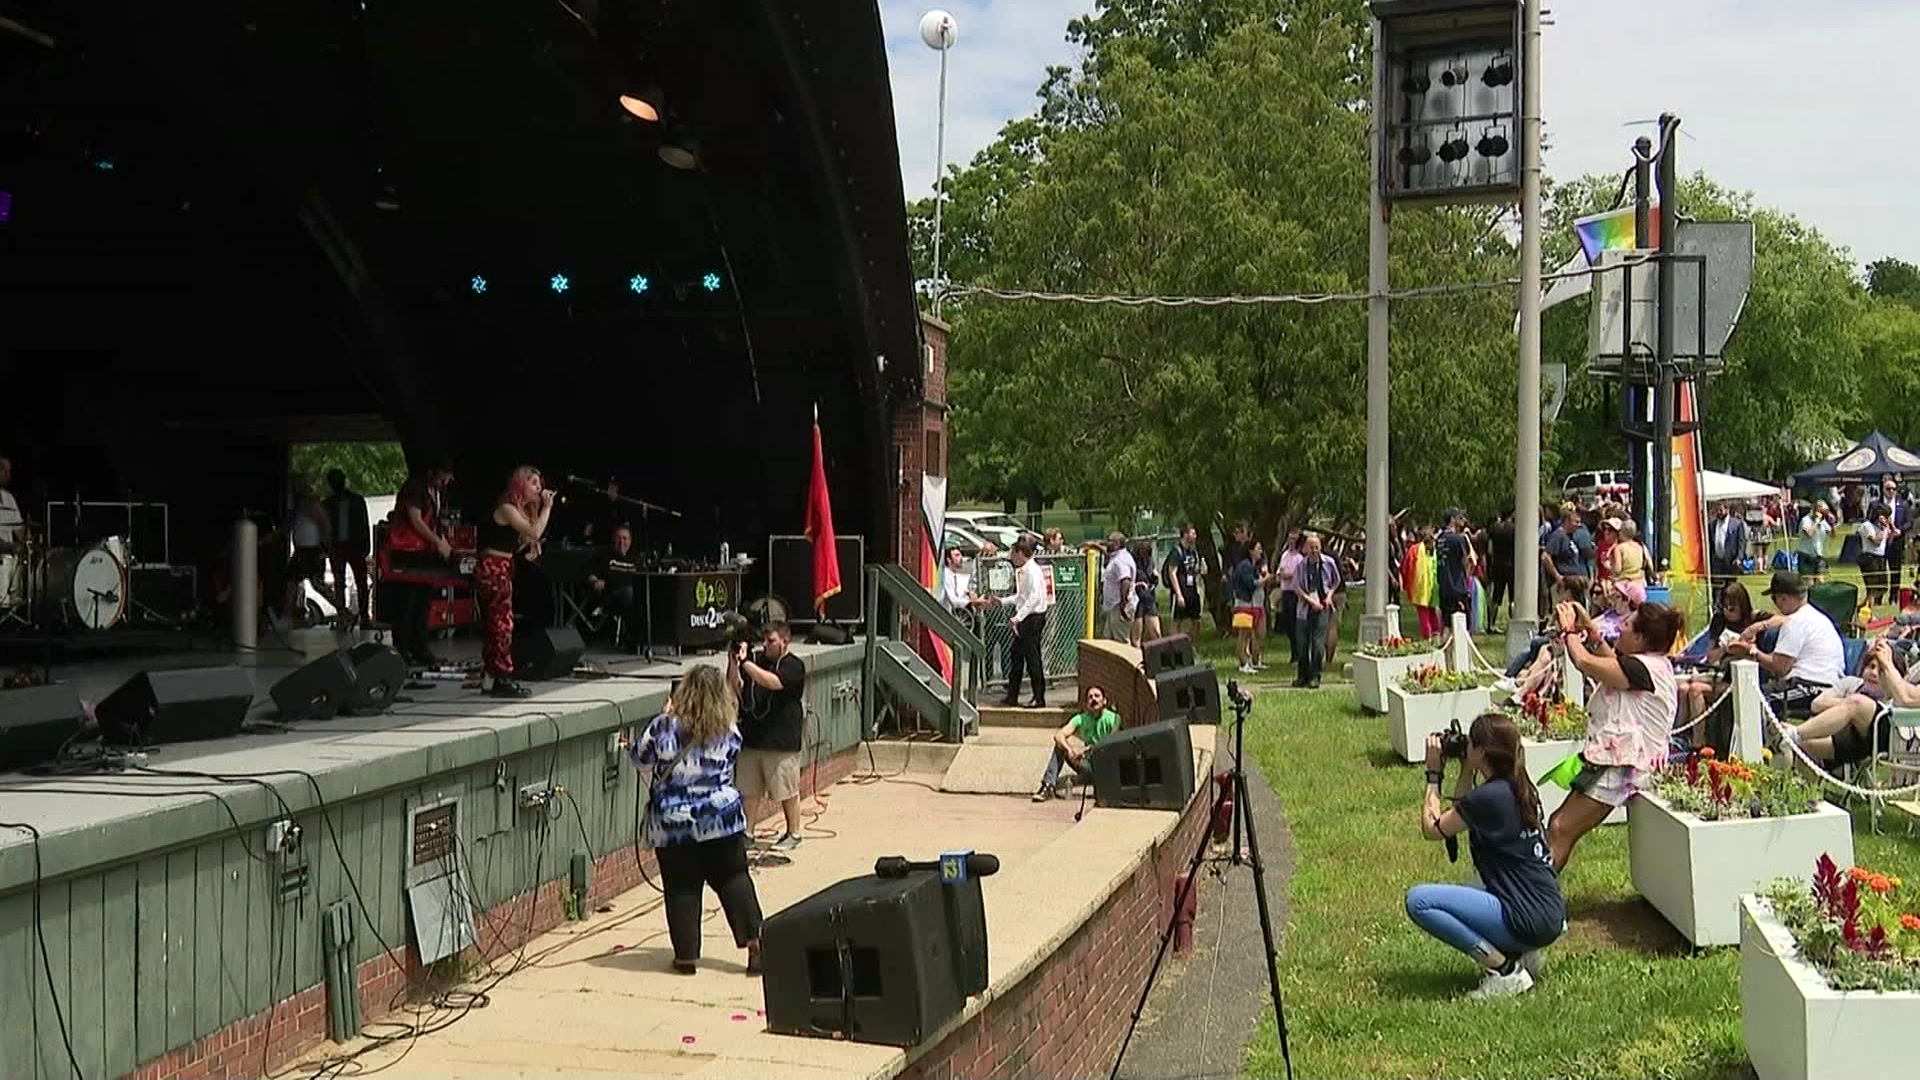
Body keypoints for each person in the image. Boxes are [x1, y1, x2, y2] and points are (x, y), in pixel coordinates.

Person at [1407, 712, 1565, 998]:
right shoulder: (1518, 787)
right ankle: (1524, 952)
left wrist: (1433, 776)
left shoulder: (1491, 797)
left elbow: (1433, 829)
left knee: (1420, 901)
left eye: (1471, 743)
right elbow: (1465, 807)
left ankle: (1506, 971)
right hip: (1548, 910)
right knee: (1474, 883)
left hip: (1527, 915)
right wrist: (1467, 770)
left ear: (1481, 751)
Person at [621, 665, 763, 975]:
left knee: (681, 885)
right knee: (734, 877)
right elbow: (731, 757)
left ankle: (686, 957)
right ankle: (756, 945)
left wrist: (666, 715)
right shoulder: (729, 727)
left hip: (674, 822)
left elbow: (639, 758)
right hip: (721, 818)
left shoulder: (664, 727)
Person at [1546, 599, 1685, 872]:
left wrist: (1569, 631)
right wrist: (1590, 628)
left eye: (1629, 625)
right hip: (1619, 764)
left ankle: (1534, 903)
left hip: (1623, 768)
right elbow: (1612, 664)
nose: (1621, 627)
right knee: (1559, 826)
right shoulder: (1650, 665)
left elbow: (1584, 662)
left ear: (1641, 639)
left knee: (1560, 828)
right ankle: (1534, 899)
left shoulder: (1641, 668)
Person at [473, 466, 554, 698]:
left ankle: (490, 676)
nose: (539, 488)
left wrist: (529, 549)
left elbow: (517, 542)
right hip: (493, 568)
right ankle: (502, 676)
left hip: (503, 566)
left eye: (539, 483)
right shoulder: (507, 508)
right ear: (521, 484)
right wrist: (546, 509)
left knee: (494, 625)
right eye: (534, 483)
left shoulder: (516, 511)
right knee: (502, 624)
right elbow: (535, 530)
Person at [1726, 571, 1846, 720]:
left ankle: (1759, 741)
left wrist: (1750, 651)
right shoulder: (1816, 617)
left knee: (1750, 696)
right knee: (1750, 692)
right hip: (1827, 685)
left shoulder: (1795, 622)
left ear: (1784, 598)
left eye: (1774, 598)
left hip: (1811, 687)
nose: (1774, 604)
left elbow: (1780, 667)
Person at [730, 621, 807, 851]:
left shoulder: (794, 666)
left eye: (771, 641)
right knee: (749, 790)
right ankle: (748, 831)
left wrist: (745, 664)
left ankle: (794, 831)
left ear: (785, 641)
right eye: (764, 640)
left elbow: (772, 682)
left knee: (786, 790)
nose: (766, 645)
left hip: (781, 739)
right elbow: (734, 685)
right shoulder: (755, 661)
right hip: (753, 736)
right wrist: (733, 661)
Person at [1780, 638, 1919, 766]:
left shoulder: (1884, 694)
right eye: (1871, 667)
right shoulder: (1852, 683)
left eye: (1880, 670)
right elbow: (1816, 704)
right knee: (1804, 744)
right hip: (1869, 733)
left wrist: (1888, 663)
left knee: (1858, 703)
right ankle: (1804, 788)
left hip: (1900, 733)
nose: (1874, 673)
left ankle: (1792, 734)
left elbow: (1907, 697)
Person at [383, 459, 456, 667]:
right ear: (433, 472)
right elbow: (415, 519)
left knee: (422, 603)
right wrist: (437, 541)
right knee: (407, 603)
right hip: (406, 551)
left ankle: (420, 648)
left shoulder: (438, 492)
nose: (446, 481)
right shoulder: (415, 487)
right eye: (444, 476)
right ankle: (403, 650)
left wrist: (441, 541)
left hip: (424, 552)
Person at [1678, 580, 1765, 750]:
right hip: (1720, 673)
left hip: (1742, 679)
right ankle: (1682, 737)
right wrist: (1725, 646)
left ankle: (1698, 745)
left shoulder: (1755, 618)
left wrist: (1757, 628)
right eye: (1723, 607)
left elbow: (1781, 620)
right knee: (1683, 688)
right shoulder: (1719, 620)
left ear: (1742, 605)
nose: (1727, 612)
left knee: (1695, 690)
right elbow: (1710, 658)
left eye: (1731, 608)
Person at [1032, 685, 1121, 801]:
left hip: (1107, 766)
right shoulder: (1080, 719)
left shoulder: (1114, 718)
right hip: (1088, 764)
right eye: (1090, 697)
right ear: (1086, 703)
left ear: (1104, 701)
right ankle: (1048, 786)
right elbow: (1058, 735)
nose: (1093, 699)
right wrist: (1070, 750)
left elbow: (1110, 743)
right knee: (1060, 746)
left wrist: (1086, 750)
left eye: (1097, 696)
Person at [991, 539, 1049, 708]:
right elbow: (1021, 596)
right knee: (1016, 656)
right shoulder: (1023, 571)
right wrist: (1002, 601)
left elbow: (1033, 598)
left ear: (1021, 553)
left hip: (1032, 618)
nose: (1012, 557)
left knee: (1032, 658)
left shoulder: (1032, 571)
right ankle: (1012, 695)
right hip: (1025, 618)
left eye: (1014, 554)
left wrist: (1018, 617)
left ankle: (1039, 698)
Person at [323, 468, 372, 621]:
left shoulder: (357, 501)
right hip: (337, 547)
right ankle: (343, 615)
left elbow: (364, 523)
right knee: (339, 583)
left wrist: (366, 546)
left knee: (361, 582)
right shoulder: (327, 504)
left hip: (355, 546)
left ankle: (364, 616)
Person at [1292, 532, 1339, 689]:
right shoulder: (1301, 566)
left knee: (1318, 645)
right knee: (1302, 644)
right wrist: (1310, 601)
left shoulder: (1329, 563)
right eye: (1311, 547)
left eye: (1317, 547)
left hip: (1323, 608)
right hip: (1304, 609)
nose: (1314, 550)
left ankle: (1315, 676)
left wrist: (1329, 596)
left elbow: (1336, 581)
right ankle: (1302, 676)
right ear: (1305, 548)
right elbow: (1296, 587)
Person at [283, 476, 331, 628]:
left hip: (312, 550)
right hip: (302, 551)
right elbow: (287, 527)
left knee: (316, 584)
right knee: (292, 582)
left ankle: (342, 610)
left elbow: (325, 527)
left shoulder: (312, 506)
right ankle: (288, 616)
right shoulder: (298, 508)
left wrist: (325, 548)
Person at [585, 523, 642, 647]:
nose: (622, 542)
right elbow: (590, 573)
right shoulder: (604, 556)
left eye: (625, 538)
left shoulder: (636, 559)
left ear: (630, 541)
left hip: (636, 596)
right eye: (619, 538)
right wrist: (595, 581)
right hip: (611, 595)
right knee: (629, 593)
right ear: (613, 539)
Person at [1231, 539, 1268, 674]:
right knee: (1244, 635)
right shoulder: (1245, 566)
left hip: (1256, 604)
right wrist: (1266, 579)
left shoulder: (1257, 565)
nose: (1260, 551)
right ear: (1250, 551)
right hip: (1244, 604)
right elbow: (1251, 584)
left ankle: (1255, 661)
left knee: (1258, 633)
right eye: (1258, 549)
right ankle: (1243, 663)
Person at [1162, 525, 1206, 639]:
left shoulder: (1192, 551)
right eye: (1193, 533)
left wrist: (1200, 570)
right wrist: (1179, 594)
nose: (1195, 536)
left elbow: (1193, 570)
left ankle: (1188, 645)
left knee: (1196, 621)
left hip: (1192, 590)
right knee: (1177, 621)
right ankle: (1175, 649)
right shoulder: (1177, 552)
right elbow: (1172, 572)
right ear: (1185, 534)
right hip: (1181, 592)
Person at [1436, 510, 1476, 629]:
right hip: (1458, 586)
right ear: (1453, 519)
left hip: (1444, 585)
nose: (1463, 520)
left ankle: (1448, 645)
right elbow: (1465, 561)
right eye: (1460, 517)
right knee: (1463, 621)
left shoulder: (1440, 539)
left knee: (1447, 622)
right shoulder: (1458, 539)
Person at [1098, 531, 1136, 642]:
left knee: (1121, 642)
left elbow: (1125, 580)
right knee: (1109, 642)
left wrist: (1123, 604)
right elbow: (1107, 552)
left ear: (1117, 544)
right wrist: (1095, 546)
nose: (1107, 543)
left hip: (1118, 606)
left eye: (1110, 541)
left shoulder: (1121, 561)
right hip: (1112, 607)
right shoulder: (1118, 556)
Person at [1857, 503, 1895, 608]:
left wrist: (1891, 528)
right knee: (1872, 587)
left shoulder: (1883, 527)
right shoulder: (1866, 526)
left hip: (1880, 558)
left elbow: (1888, 541)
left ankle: (1862, 606)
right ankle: (1869, 611)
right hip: (1869, 557)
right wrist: (1884, 528)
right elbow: (1876, 541)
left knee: (1882, 587)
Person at [1709, 502, 1749, 592]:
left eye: (1721, 510)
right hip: (1716, 562)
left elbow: (1741, 542)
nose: (1718, 513)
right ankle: (1717, 606)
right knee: (1717, 589)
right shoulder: (1712, 524)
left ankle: (1729, 606)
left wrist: (1739, 558)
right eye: (1717, 510)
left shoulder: (1737, 524)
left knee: (1730, 590)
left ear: (1727, 510)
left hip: (1731, 562)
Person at [1486, 509, 1515, 633]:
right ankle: (1513, 623)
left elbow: (1490, 550)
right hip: (1512, 565)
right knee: (1513, 597)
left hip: (1497, 565)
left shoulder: (1493, 529)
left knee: (1496, 596)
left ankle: (1491, 624)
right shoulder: (1515, 529)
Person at [1129, 538, 1162, 646]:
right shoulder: (1132, 562)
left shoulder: (1149, 561)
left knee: (1156, 633)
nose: (1145, 554)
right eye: (1143, 551)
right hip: (1136, 598)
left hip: (1148, 597)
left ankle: (1158, 657)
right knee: (1136, 636)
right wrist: (1136, 584)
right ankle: (1137, 657)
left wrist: (1155, 578)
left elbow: (1153, 577)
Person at [1796, 500, 1835, 580]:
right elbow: (1809, 534)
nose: (1824, 513)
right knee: (1808, 582)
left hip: (1819, 556)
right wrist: (1816, 522)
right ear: (1815, 509)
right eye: (1822, 511)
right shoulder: (1805, 520)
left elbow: (1832, 536)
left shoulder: (1823, 522)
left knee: (1820, 581)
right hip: (1806, 555)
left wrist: (1832, 524)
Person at [1608, 519, 1650, 585]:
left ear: (1622, 532)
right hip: (1640, 583)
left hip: (1625, 584)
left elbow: (1617, 570)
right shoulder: (1640, 546)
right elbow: (1650, 565)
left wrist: (1609, 566)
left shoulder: (1619, 548)